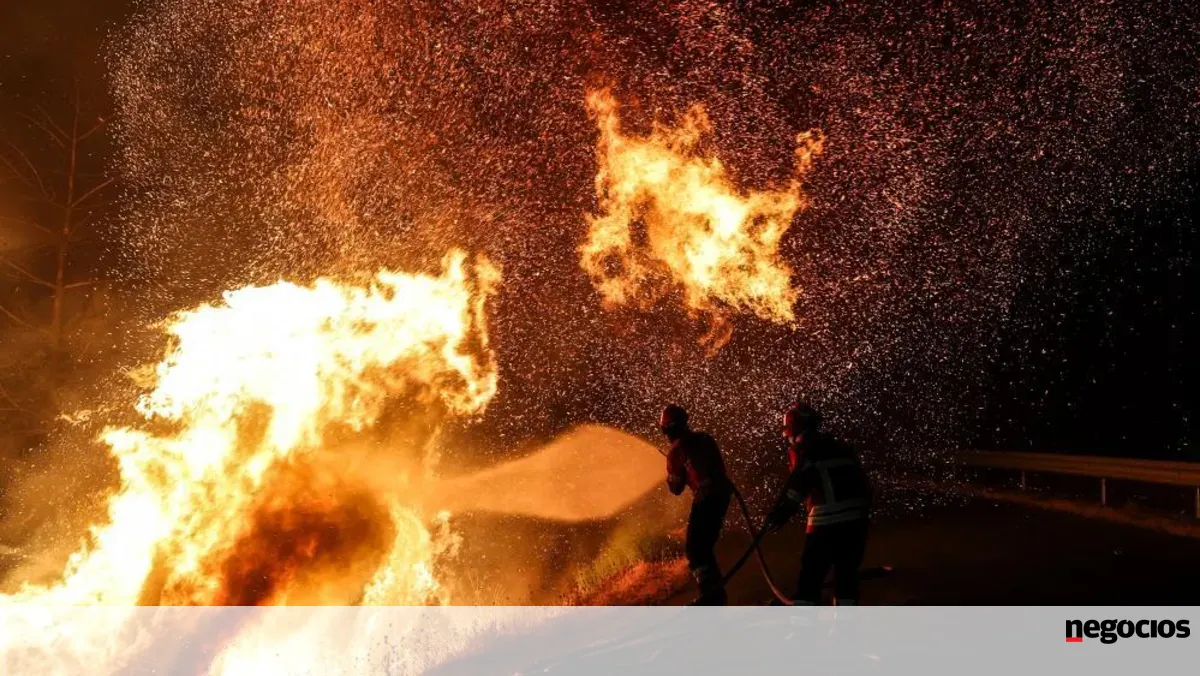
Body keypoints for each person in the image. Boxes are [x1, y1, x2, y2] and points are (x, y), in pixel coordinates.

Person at [765, 401, 872, 605]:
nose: (786, 435)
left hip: (826, 521)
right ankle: (844, 630)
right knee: (846, 578)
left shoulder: (802, 449)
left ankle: (803, 631)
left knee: (810, 579)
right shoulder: (839, 445)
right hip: (857, 522)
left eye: (787, 430)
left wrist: (779, 515)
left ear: (794, 428)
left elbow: (797, 486)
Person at [660, 404, 733, 605]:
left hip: (705, 498)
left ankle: (711, 595)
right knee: (704, 547)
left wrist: (671, 475)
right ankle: (715, 593)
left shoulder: (676, 451)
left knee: (695, 549)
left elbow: (676, 489)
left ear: (666, 430)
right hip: (723, 494)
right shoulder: (705, 438)